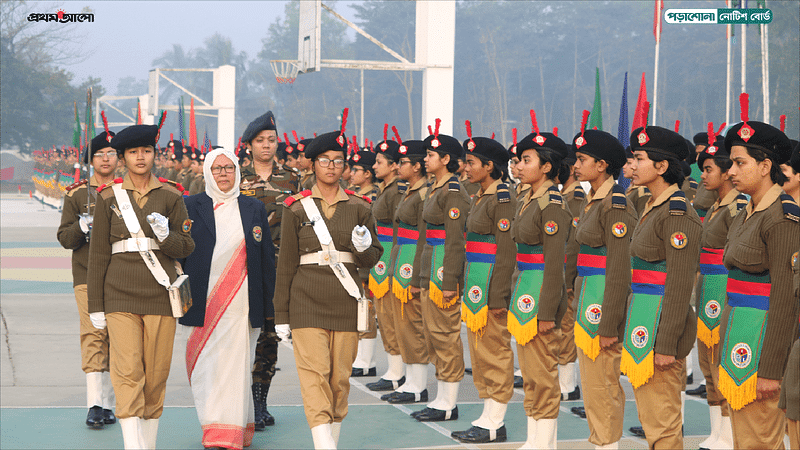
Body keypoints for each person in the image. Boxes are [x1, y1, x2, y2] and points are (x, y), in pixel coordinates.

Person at [274, 123, 383, 449]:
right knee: (315, 374)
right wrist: (281, 314)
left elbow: (373, 259)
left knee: (339, 380)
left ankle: (330, 438)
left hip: (346, 300)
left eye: (338, 160)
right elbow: (286, 264)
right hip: (306, 301)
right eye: (324, 160)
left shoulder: (360, 207)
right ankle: (324, 443)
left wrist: (364, 246)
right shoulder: (295, 207)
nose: (332, 166)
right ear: (313, 164)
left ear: (345, 166)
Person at [87, 124, 195, 450]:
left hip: (161, 294)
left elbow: (187, 246)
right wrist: (95, 304)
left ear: (154, 154)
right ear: (123, 158)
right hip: (119, 293)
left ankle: (147, 443)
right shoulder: (108, 197)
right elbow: (98, 255)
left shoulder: (172, 195)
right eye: (133, 152)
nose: (140, 157)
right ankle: (131, 445)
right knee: (127, 369)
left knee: (156, 372)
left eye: (146, 151)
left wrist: (166, 237)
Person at [180, 148, 276, 450]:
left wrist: (271, 307)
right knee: (206, 365)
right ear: (208, 172)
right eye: (217, 168)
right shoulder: (190, 206)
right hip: (201, 300)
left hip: (241, 302)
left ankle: (228, 432)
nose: (223, 174)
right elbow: (180, 252)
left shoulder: (253, 208)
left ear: (237, 171)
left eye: (229, 168)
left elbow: (264, 259)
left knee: (235, 365)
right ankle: (213, 422)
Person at [717, 99, 799, 449]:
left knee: (760, 442)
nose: (730, 171)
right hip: (739, 337)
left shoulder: (782, 216)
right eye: (731, 163)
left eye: (739, 163)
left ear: (766, 166)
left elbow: (785, 297)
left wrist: (771, 367)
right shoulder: (746, 211)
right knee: (746, 440)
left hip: (761, 344)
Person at [624, 125, 701, 450]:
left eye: (639, 158)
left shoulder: (677, 214)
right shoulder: (653, 207)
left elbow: (681, 284)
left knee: (664, 426)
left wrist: (667, 344)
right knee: (652, 421)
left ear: (662, 166)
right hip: (644, 322)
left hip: (660, 333)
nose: (632, 165)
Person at [571, 129, 637, 450]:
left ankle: (608, 445)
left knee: (604, 384)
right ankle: (600, 442)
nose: (575, 164)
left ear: (602, 165)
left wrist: (610, 321)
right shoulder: (592, 200)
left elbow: (620, 267)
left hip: (602, 306)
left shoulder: (615, 204)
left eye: (582, 159)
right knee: (593, 384)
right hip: (589, 300)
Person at [450, 130, 516, 444]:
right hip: (478, 280)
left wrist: (499, 294)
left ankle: (495, 420)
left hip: (491, 284)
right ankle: (488, 414)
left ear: (489, 166)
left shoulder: (502, 197)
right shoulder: (481, 195)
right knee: (480, 352)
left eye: (472, 162)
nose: (466, 167)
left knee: (495, 352)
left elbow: (505, 250)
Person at [509, 123, 572, 449]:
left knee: (543, 373)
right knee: (531, 372)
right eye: (519, 160)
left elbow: (555, 264)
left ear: (547, 167)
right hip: (525, 291)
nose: (519, 166)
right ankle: (534, 439)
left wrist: (548, 311)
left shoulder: (552, 206)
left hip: (541, 296)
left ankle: (545, 442)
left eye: (527, 160)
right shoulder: (530, 199)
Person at [238, 110, 300, 430]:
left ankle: (260, 401)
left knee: (270, 337)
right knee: (244, 335)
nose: (267, 145)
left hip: (279, 270)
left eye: (272, 140)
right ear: (249, 145)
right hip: (244, 270)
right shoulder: (235, 176)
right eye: (260, 141)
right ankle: (242, 401)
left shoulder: (291, 178)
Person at [57, 130, 118, 428]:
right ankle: (95, 403)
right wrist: (82, 225)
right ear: (90, 160)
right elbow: (65, 238)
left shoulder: (128, 190)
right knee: (94, 333)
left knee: (118, 338)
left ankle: (110, 403)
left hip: (122, 274)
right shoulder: (78, 194)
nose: (106, 159)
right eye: (99, 154)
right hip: (87, 273)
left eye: (111, 153)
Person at [411, 121, 470, 422]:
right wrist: (417, 279)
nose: (425, 158)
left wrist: (449, 281)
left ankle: (449, 402)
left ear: (446, 159)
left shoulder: (454, 191)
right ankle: (440, 398)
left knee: (445, 335)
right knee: (433, 335)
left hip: (443, 272)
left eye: (432, 154)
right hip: (429, 270)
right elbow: (425, 237)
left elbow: (455, 239)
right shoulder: (435, 189)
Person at [690, 132, 744, 450]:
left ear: (726, 172)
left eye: (709, 168)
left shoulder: (736, 207)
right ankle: (716, 433)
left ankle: (728, 435)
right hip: (707, 287)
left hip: (722, 289)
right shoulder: (715, 206)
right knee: (708, 366)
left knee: (722, 364)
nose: (704, 174)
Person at [379, 139, 431, 404]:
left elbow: (424, 237)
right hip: (401, 261)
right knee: (402, 324)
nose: (399, 167)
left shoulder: (423, 194)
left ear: (418, 166)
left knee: (413, 324)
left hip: (412, 263)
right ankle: (410, 380)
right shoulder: (410, 191)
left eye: (404, 163)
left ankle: (418, 384)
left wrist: (417, 275)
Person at [365, 135, 409, 393]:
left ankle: (398, 371)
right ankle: (394, 369)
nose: (374, 166)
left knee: (393, 316)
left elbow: (399, 229)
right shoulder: (385, 190)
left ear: (394, 166)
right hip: (381, 254)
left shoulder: (397, 192)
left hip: (392, 255)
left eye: (380, 162)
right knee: (383, 313)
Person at [348, 149, 381, 377]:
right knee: (360, 308)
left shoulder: (374, 197)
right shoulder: (359, 195)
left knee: (367, 309)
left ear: (368, 174)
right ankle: (362, 357)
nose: (351, 173)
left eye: (356, 170)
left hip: (371, 260)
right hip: (359, 260)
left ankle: (366, 360)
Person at [558, 144, 583, 402]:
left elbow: (574, 243)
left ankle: (567, 385)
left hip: (571, 274)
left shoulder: (575, 198)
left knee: (567, 327)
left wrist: (568, 278)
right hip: (561, 270)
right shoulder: (563, 195)